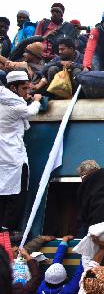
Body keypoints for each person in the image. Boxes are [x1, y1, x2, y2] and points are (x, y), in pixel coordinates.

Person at [0, 71, 42, 236]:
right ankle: (10, 230)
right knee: (18, 195)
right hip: (13, 156)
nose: (27, 92)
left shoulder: (5, 99)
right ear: (12, 87)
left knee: (3, 195)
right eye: (24, 88)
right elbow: (30, 112)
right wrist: (37, 101)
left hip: (4, 155)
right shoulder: (13, 103)